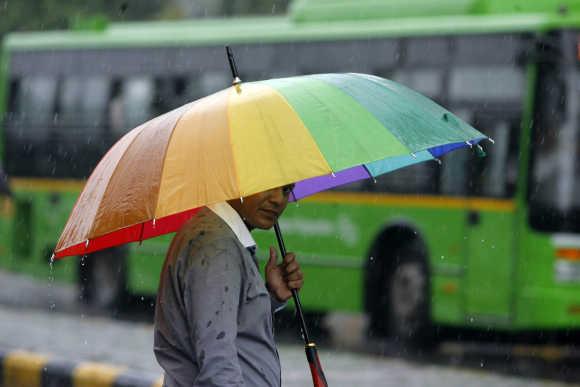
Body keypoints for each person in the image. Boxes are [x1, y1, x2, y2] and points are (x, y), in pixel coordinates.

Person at [154, 184, 303, 387]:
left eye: (286, 189)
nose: (278, 199)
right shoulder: (216, 248)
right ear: (236, 179)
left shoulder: (219, 238)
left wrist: (272, 297)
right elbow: (218, 368)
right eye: (267, 186)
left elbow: (232, 326)